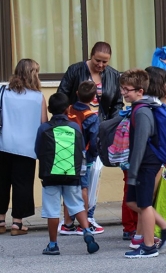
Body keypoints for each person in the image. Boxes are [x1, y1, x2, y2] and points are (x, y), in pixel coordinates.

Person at [120, 69, 166, 258]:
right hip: (142, 162)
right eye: (122, 89)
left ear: (140, 91)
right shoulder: (139, 108)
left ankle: (148, 246)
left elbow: (140, 142)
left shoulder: (143, 111)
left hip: (146, 162)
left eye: (127, 89)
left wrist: (134, 168)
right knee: (133, 201)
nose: (123, 93)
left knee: (144, 203)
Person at [36, 93, 100, 255]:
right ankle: (86, 231)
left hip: (50, 175)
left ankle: (52, 245)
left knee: (52, 210)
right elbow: (80, 150)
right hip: (71, 174)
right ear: (67, 109)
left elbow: (37, 151)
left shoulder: (44, 128)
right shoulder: (74, 127)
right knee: (76, 205)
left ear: (49, 109)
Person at [0, 59, 48, 236]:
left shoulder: (3, 92)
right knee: (22, 184)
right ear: (33, 74)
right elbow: (44, 124)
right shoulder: (38, 97)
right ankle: (17, 224)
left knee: (2, 183)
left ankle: (1, 220)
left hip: (3, 145)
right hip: (27, 148)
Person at [61, 81, 103, 235]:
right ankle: (82, 223)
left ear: (77, 93)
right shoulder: (91, 116)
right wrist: (93, 155)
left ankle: (67, 223)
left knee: (69, 187)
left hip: (65, 154)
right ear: (94, 98)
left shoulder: (68, 110)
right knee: (83, 188)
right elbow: (93, 141)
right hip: (83, 156)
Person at [58, 41, 123, 121]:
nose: (100, 65)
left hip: (102, 126)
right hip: (77, 123)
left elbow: (117, 104)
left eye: (104, 62)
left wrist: (113, 124)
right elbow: (61, 96)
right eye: (97, 60)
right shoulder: (75, 70)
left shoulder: (114, 75)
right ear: (91, 56)